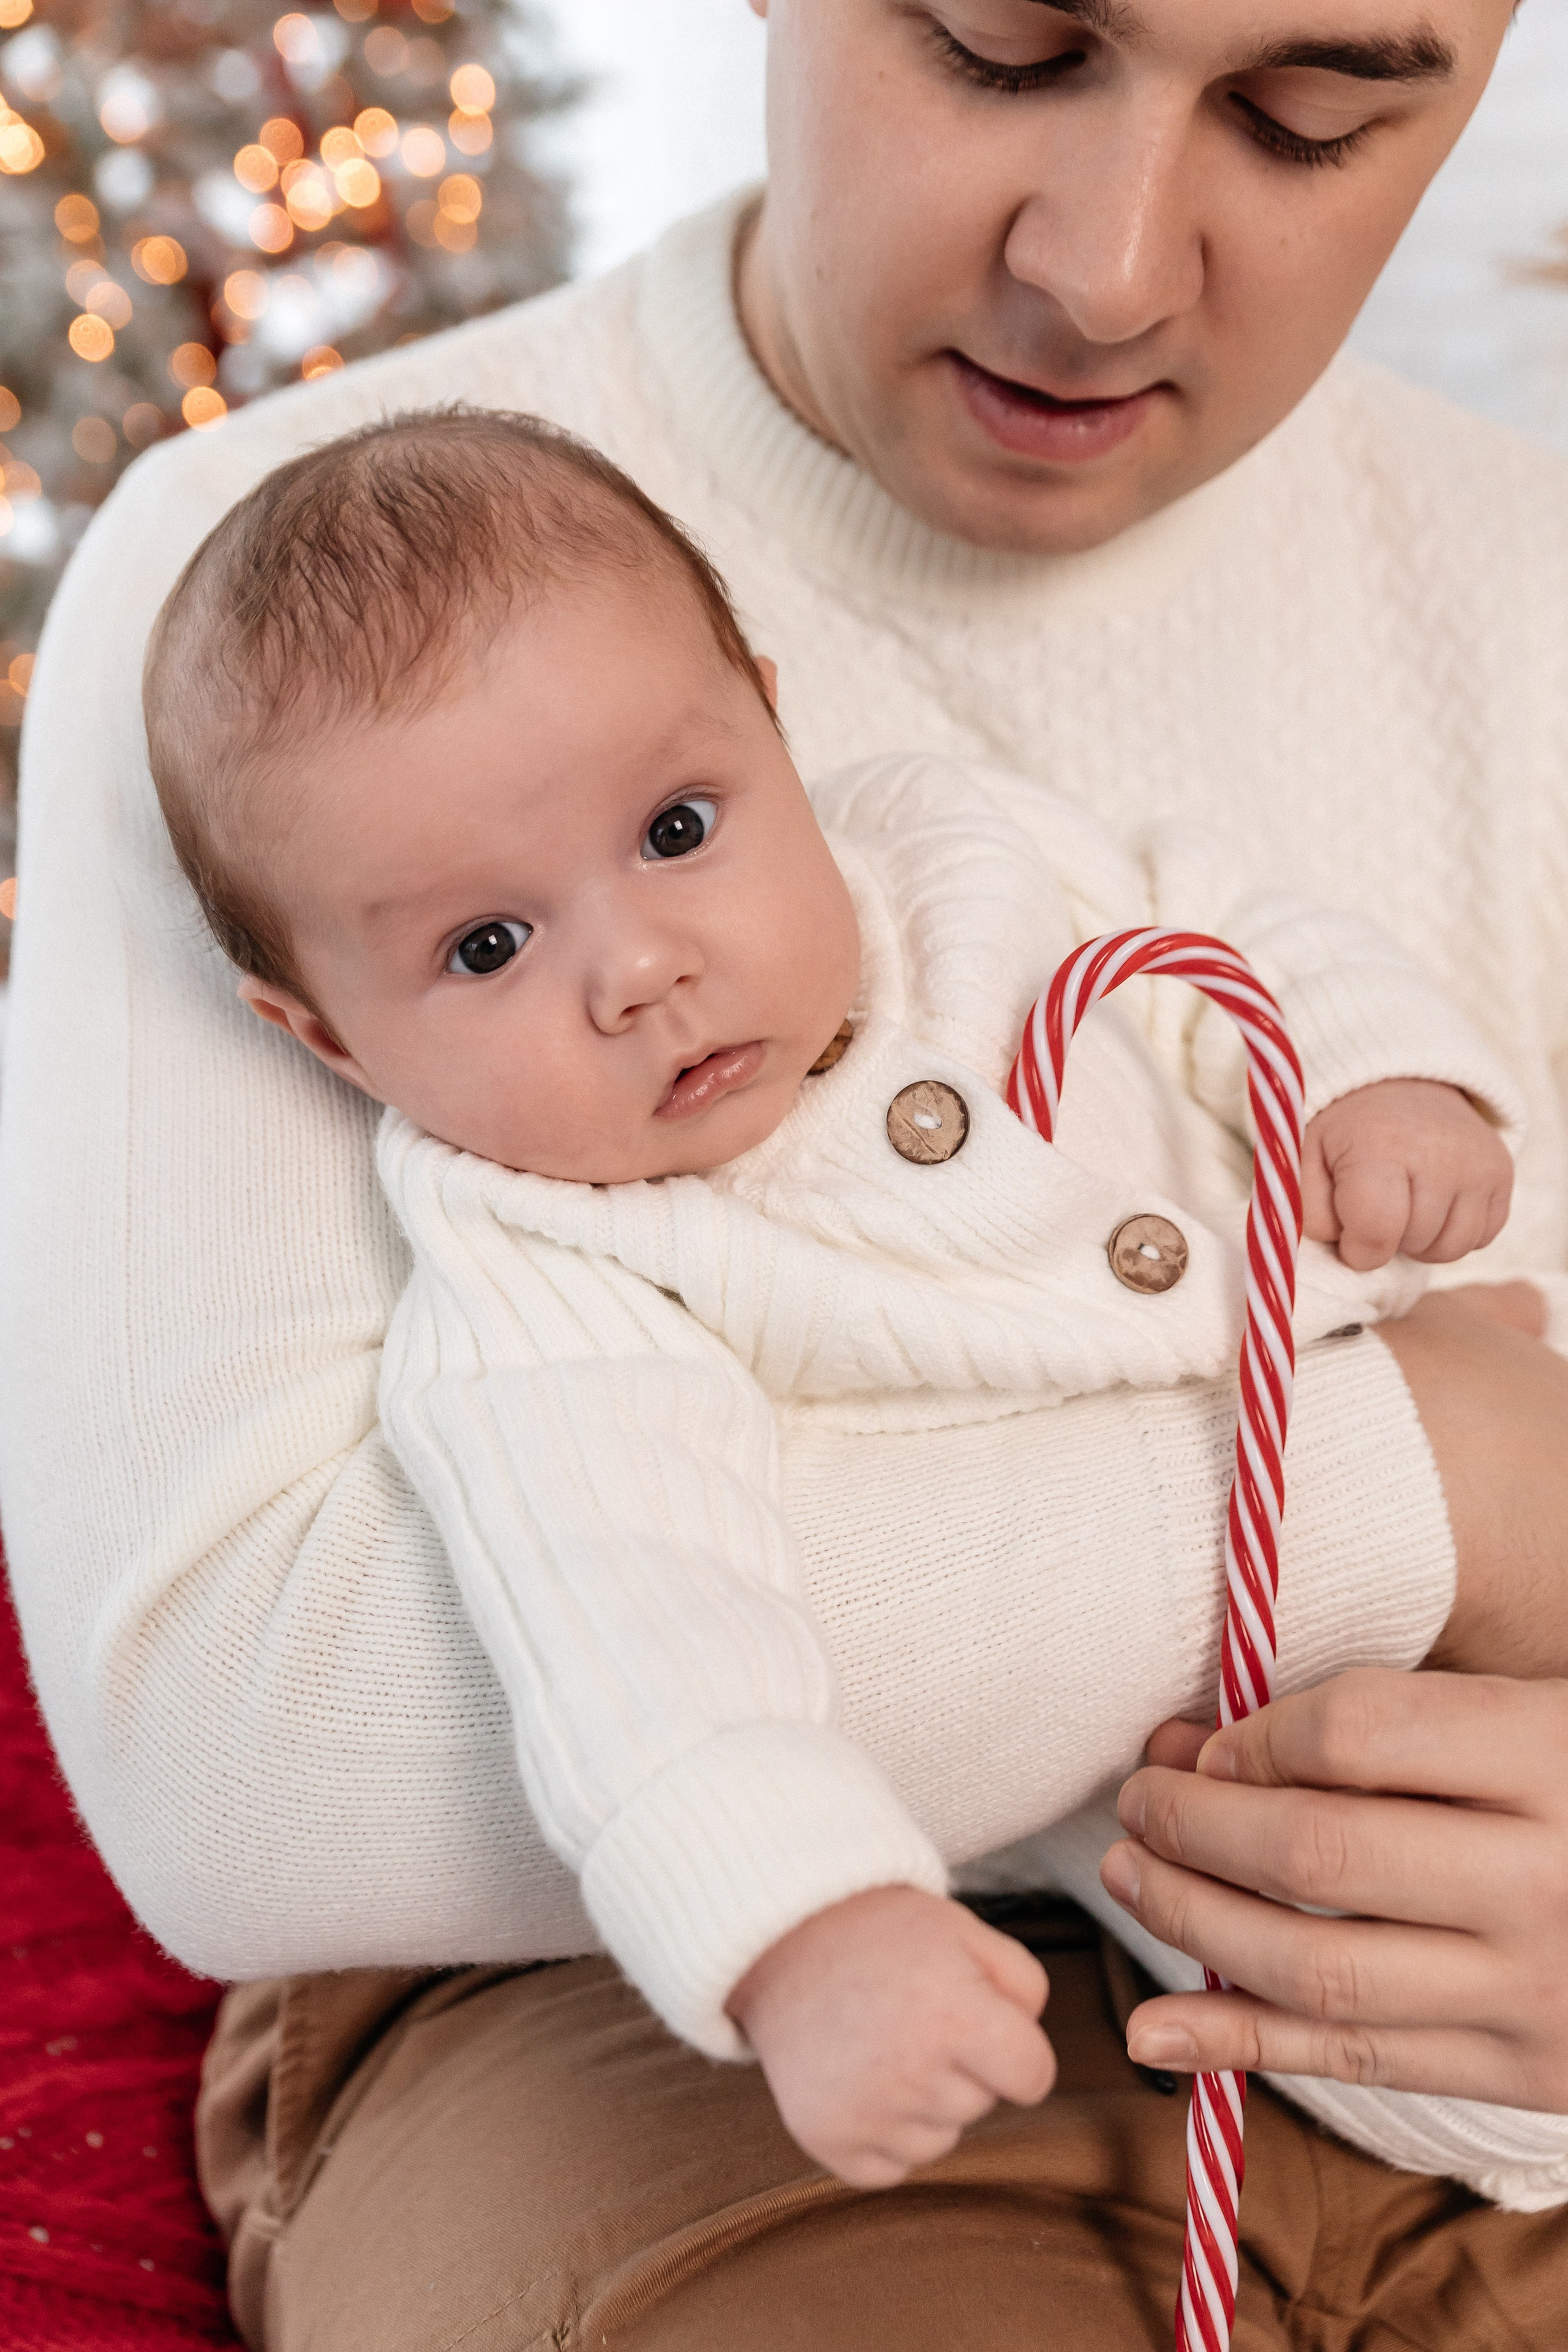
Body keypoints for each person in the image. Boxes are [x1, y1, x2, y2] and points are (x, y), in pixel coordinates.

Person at [2, 0, 1567, 2340]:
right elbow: (270, 1763)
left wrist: (1389, 1098)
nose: (1112, 266)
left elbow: (1227, 937)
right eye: (999, 50)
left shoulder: (999, 837)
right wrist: (1440, 1469)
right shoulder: (261, 615)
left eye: (1310, 115)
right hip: (668, 2001)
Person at [143, 405, 1532, 2190]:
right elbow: (641, 1642)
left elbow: (1233, 938)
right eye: (487, 947)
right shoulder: (555, 1283)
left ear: (780, 730)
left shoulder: (954, 858)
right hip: (1277, 1769)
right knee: (1396, 2013)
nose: (641, 967)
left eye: (677, 825)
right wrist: (800, 1933)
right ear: (326, 1038)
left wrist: (1384, 1082)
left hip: (1479, 1359)